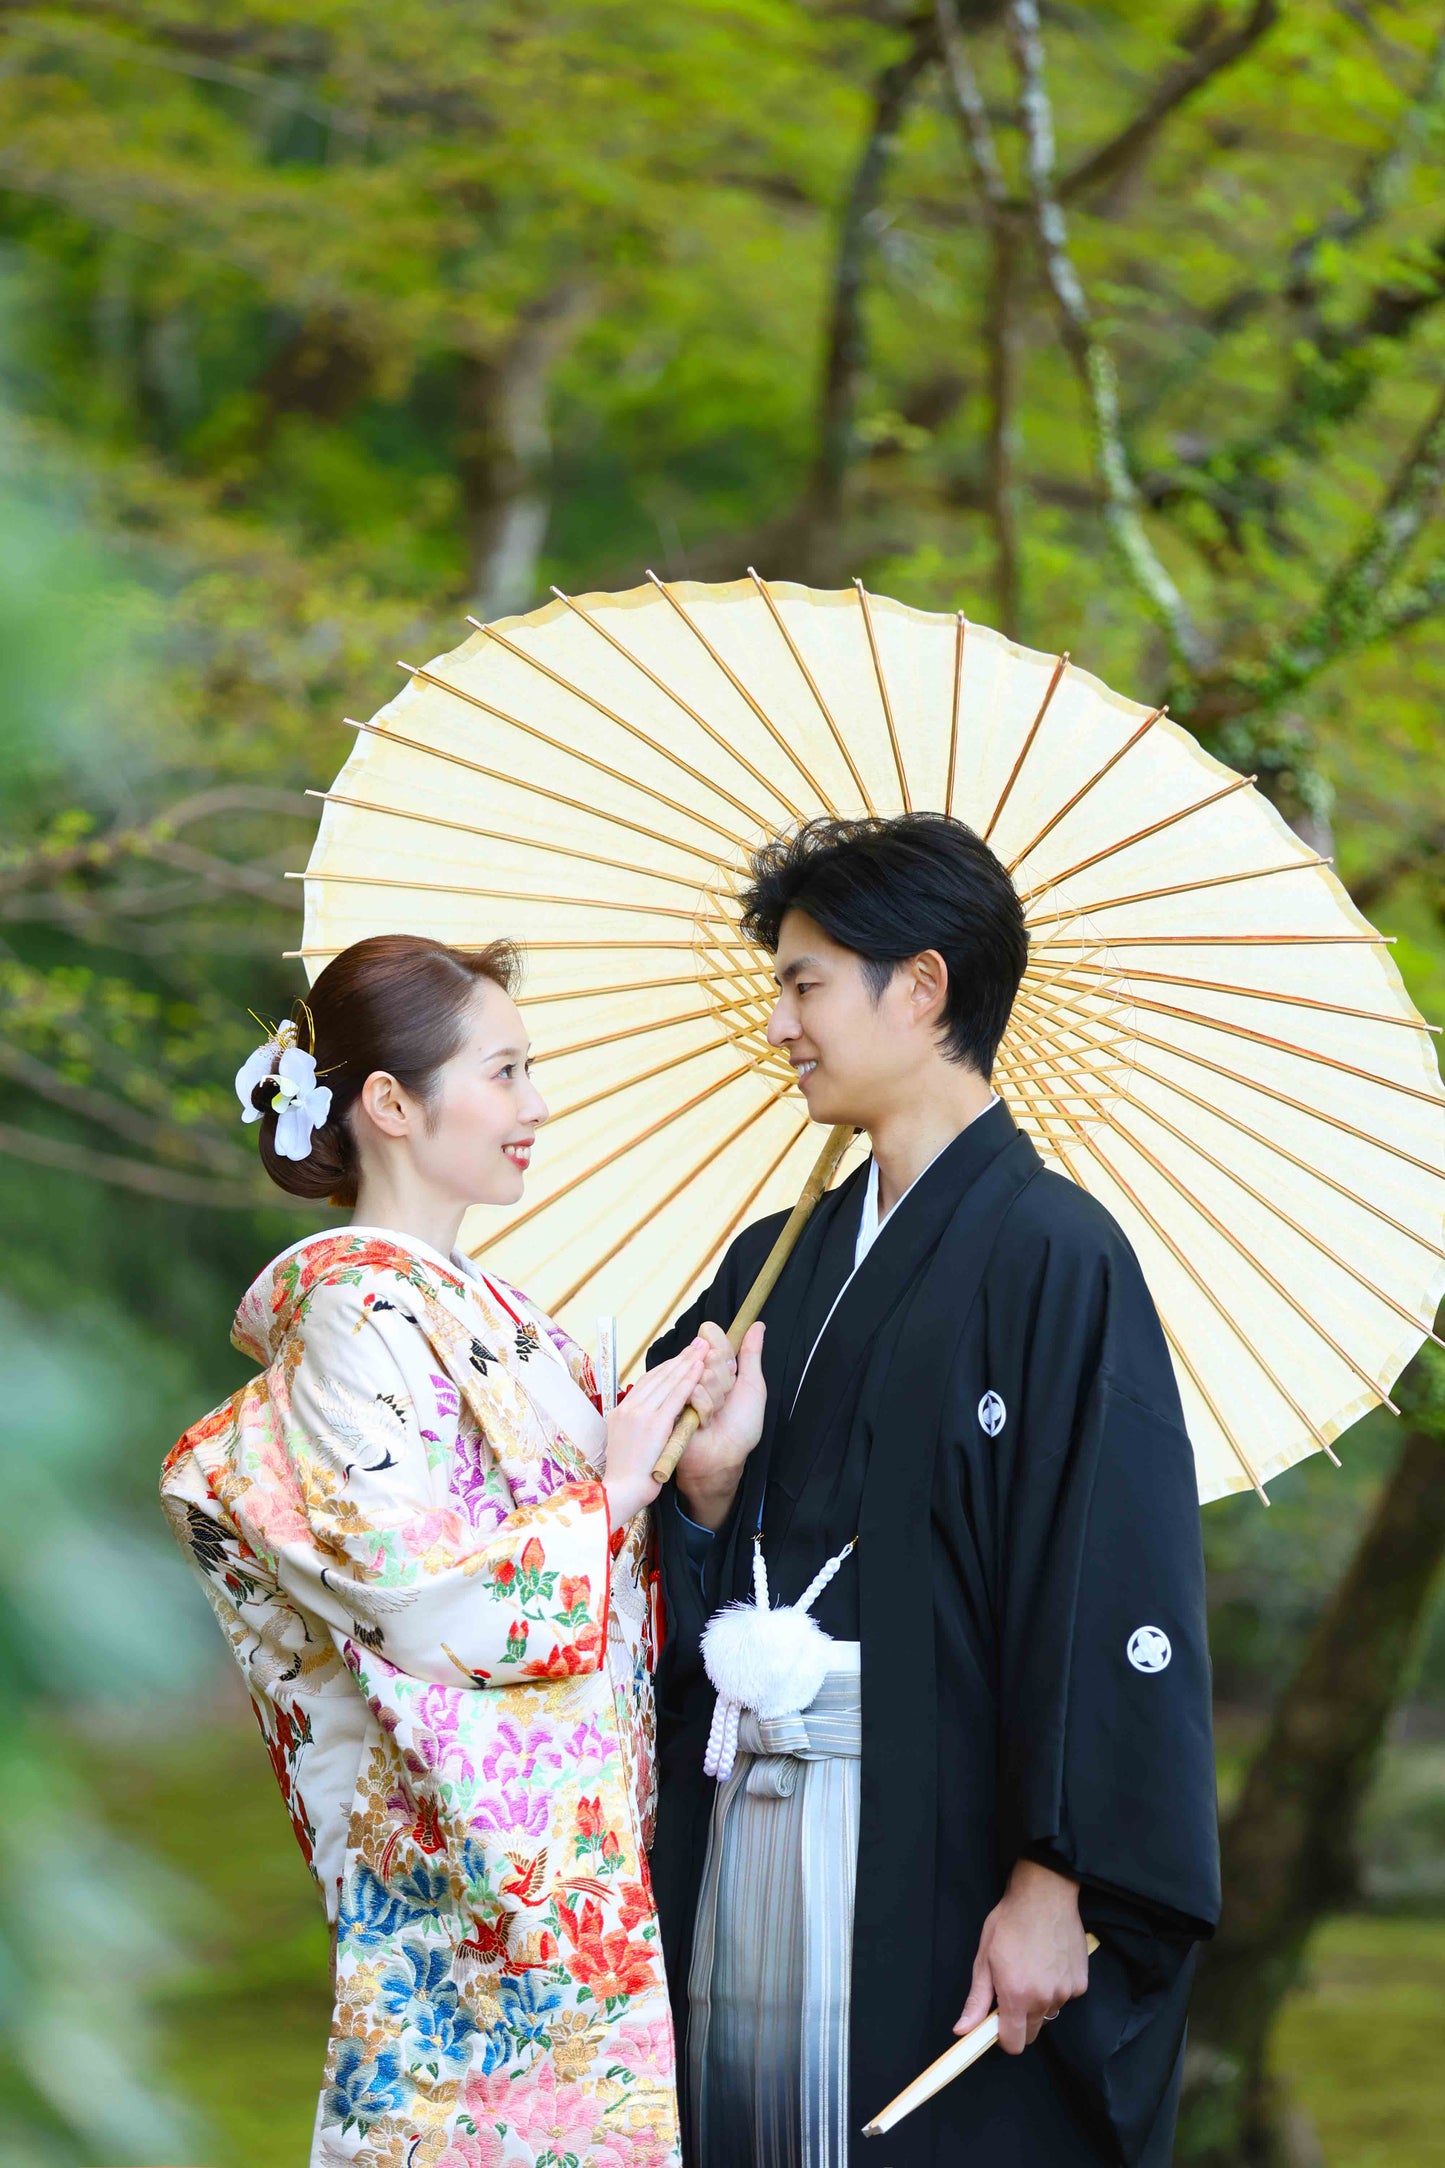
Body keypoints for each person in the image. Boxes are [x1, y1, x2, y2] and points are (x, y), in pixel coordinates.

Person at [649, 815, 1221, 2168]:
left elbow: (1111, 1579)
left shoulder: (1055, 1253)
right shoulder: (769, 1262)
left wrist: (1053, 1878)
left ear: (919, 987)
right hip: (750, 1807)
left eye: (801, 984)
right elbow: (675, 1528)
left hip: (943, 1836)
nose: (780, 1024)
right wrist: (709, 1496)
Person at [162, 933, 742, 2168]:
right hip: (465, 1875)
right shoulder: (350, 1311)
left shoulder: (507, 1319)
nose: (536, 1107)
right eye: (505, 1071)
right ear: (388, 1102)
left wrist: (693, 1468)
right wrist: (618, 1483)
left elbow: (611, 1577)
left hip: (573, 1871)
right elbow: (412, 1601)